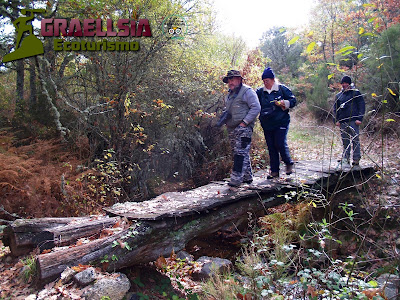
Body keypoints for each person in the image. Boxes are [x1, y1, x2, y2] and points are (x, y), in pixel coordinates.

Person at [220, 70, 261, 187]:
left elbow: (256, 108)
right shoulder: (230, 94)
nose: (230, 83)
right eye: (229, 80)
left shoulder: (247, 92)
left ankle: (236, 180)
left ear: (239, 79)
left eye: (232, 80)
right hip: (232, 129)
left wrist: (244, 123)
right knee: (239, 152)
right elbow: (229, 109)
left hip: (244, 129)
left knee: (239, 153)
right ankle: (247, 177)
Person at [256, 67, 296, 179]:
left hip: (281, 121)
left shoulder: (282, 89)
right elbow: (252, 102)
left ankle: (288, 163)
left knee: (279, 143)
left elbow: (293, 101)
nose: (265, 83)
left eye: (267, 80)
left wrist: (284, 103)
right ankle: (274, 171)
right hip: (267, 123)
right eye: (263, 81)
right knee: (271, 147)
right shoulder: (260, 92)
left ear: (273, 79)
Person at [334, 75, 365, 166]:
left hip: (354, 121)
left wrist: (360, 118)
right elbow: (335, 109)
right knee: (345, 141)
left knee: (355, 140)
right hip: (343, 121)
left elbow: (361, 106)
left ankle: (356, 159)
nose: (344, 85)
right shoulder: (339, 95)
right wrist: (336, 120)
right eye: (343, 83)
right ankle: (345, 158)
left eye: (346, 83)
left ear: (349, 83)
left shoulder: (356, 93)